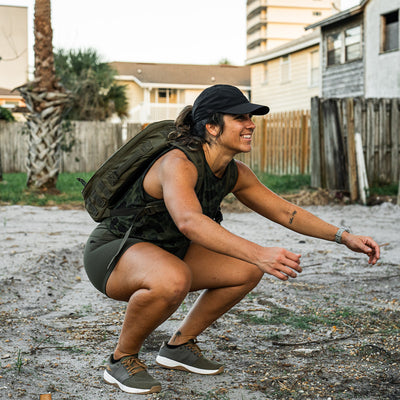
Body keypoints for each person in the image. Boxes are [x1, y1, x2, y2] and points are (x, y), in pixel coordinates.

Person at [83, 84, 380, 395]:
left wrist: (343, 236)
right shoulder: (178, 162)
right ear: (212, 126)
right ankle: (122, 359)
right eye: (240, 117)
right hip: (114, 252)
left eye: (250, 117)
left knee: (246, 269)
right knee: (175, 278)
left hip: (166, 251)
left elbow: (285, 211)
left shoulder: (233, 171)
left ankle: (178, 346)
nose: (250, 123)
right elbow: (189, 222)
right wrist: (259, 252)